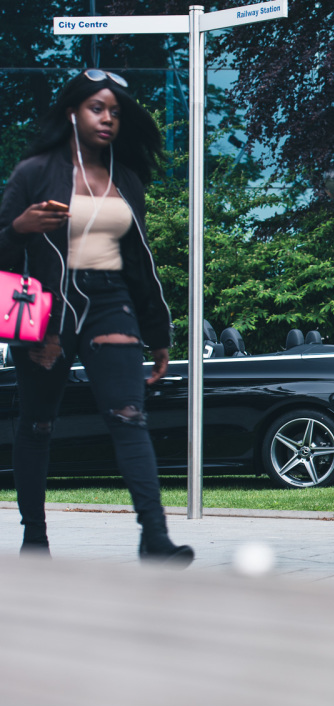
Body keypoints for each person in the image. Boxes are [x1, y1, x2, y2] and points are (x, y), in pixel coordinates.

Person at [0, 69, 193, 565]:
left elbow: (139, 260)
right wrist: (19, 227)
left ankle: (155, 539)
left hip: (111, 300)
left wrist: (157, 332)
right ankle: (35, 539)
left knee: (130, 417)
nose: (108, 118)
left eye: (115, 111)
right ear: (72, 111)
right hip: (47, 308)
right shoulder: (34, 172)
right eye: (97, 108)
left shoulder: (126, 177)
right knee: (38, 424)